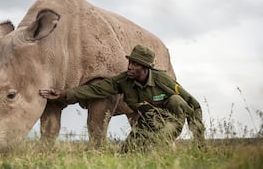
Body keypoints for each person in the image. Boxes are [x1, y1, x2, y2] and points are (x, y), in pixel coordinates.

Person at [39, 45, 205, 151]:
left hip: (170, 122)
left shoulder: (162, 80)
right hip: (147, 123)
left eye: (135, 64)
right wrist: (64, 94)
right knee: (125, 154)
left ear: (146, 68)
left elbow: (193, 104)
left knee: (176, 101)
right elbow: (96, 89)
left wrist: (200, 140)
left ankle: (162, 145)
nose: (130, 67)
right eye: (130, 62)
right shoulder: (124, 80)